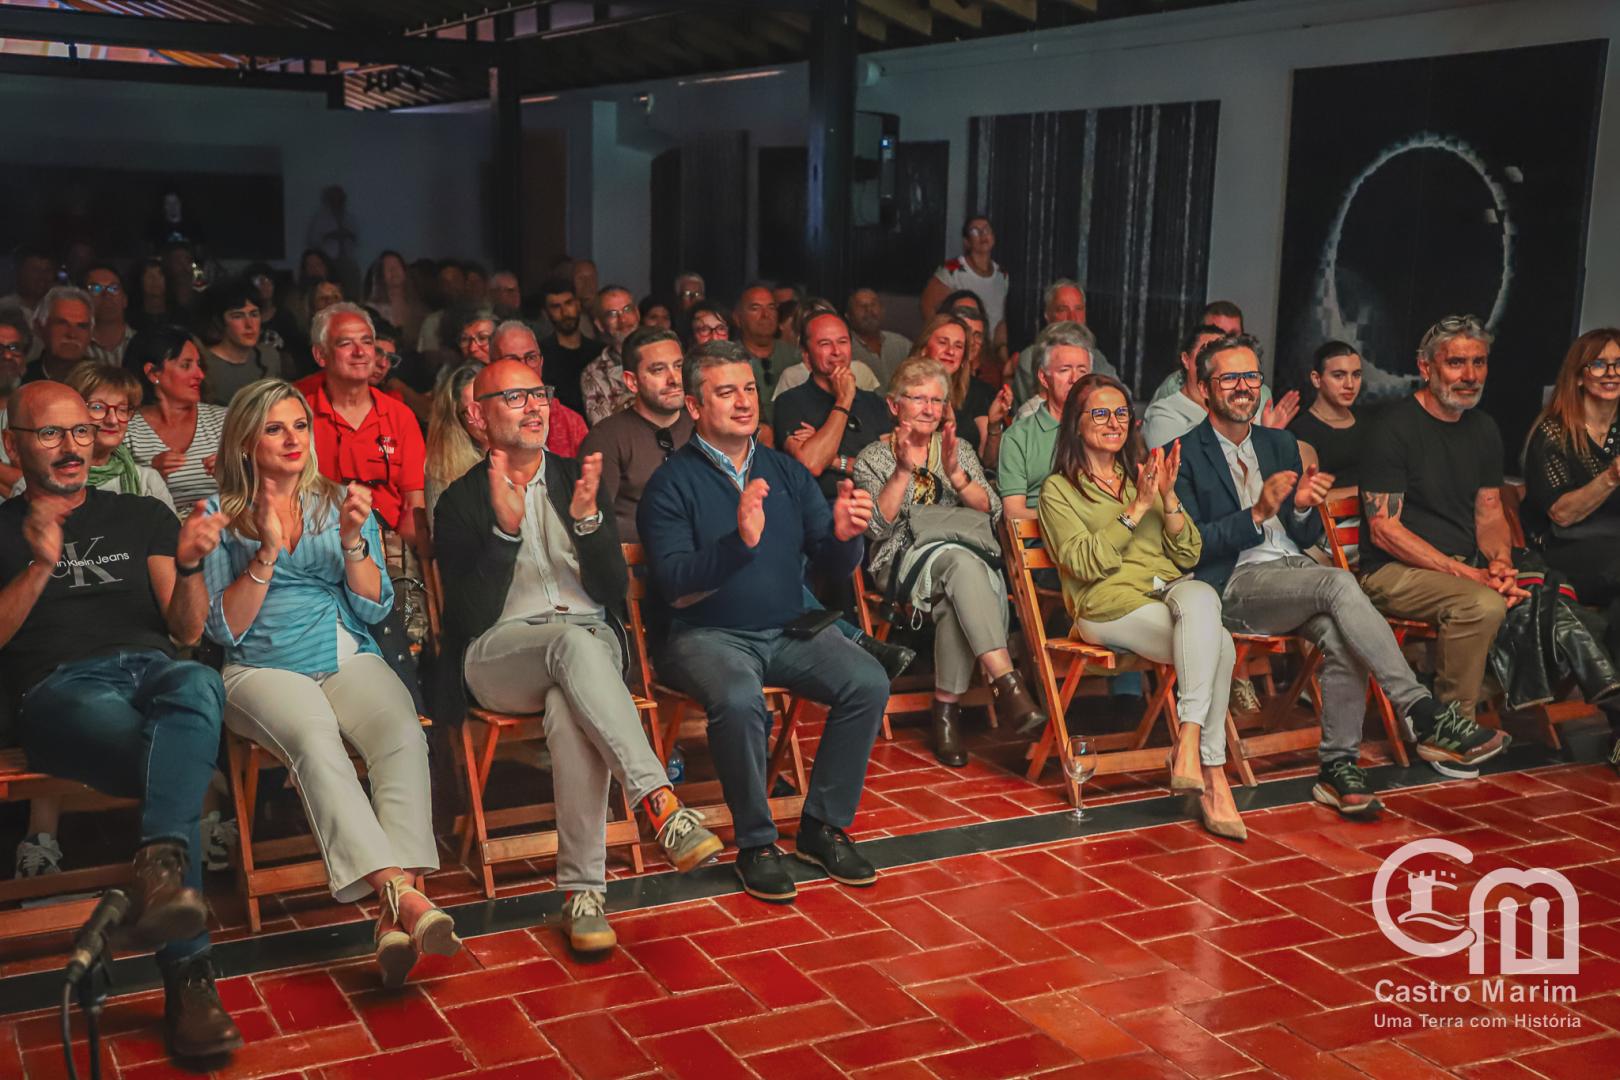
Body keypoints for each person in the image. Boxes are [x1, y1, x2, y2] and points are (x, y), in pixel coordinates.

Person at [435, 359, 722, 950]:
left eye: (538, 393)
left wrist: (591, 529)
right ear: (477, 415)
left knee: (571, 702)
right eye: (514, 397)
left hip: (588, 648)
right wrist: (506, 535)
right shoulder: (460, 503)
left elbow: (613, 591)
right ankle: (660, 802)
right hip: (499, 656)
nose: (535, 407)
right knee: (568, 647)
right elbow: (465, 618)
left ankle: (582, 895)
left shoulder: (575, 480)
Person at [0, 381, 240, 1060]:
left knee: (195, 680)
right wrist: (40, 567)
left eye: (80, 431)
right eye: (50, 434)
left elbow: (187, 632)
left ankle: (160, 867)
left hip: (155, 675)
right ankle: (191, 983)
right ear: (13, 442)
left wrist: (191, 563)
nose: (72, 446)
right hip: (60, 692)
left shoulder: (139, 515)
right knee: (179, 763)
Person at [1175, 334, 1507, 811]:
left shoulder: (1279, 443)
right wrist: (1255, 514)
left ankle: (1337, 768)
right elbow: (1192, 548)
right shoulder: (1182, 453)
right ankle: (1420, 709)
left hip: (1294, 576)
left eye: (1251, 376)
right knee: (1339, 583)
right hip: (1234, 587)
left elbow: (1295, 527)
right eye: (1230, 378)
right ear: (1205, 388)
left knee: (1342, 631)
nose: (1244, 386)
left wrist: (1304, 508)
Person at [200, 380, 455, 986]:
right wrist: (264, 551)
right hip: (260, 669)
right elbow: (223, 629)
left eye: (299, 426)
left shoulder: (334, 500)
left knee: (401, 730)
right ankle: (402, 891)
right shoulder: (217, 516)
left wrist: (350, 542)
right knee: (315, 737)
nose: (292, 439)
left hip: (341, 647)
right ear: (245, 438)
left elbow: (372, 606)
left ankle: (393, 917)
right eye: (274, 428)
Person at [639, 341, 890, 904]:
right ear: (694, 406)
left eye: (749, 388)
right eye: (726, 392)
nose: (744, 401)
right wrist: (738, 544)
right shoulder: (670, 483)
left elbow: (828, 559)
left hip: (786, 630)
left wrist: (848, 541)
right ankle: (756, 842)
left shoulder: (785, 472)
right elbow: (675, 581)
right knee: (739, 697)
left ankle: (821, 825)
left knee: (868, 681)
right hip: (703, 635)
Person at [1038, 373, 1245, 841]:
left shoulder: (1143, 477)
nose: (1114, 422)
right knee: (1223, 647)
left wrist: (1168, 497)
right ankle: (1212, 775)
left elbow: (1188, 554)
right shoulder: (1059, 491)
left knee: (1201, 594)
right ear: (1076, 422)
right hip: (1106, 607)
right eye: (1100, 413)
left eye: (1121, 414)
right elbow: (1083, 563)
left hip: (1166, 596)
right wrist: (1136, 509)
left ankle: (1189, 743)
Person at [853, 358, 1043, 765]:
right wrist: (903, 470)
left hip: (963, 560)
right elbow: (874, 526)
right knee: (960, 564)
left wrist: (957, 475)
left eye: (936, 401)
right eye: (918, 398)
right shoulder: (872, 456)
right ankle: (1006, 680)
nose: (928, 408)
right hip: (901, 559)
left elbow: (992, 511)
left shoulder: (959, 450)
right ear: (894, 405)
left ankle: (945, 715)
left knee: (955, 591)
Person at [1359, 316, 1528, 723]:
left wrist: (1500, 564)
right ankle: (1452, 728)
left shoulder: (1484, 428)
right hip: (1392, 571)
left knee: (1543, 599)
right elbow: (1385, 531)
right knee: (1481, 604)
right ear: (1425, 367)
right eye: (1456, 363)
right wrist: (1469, 577)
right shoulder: (1392, 427)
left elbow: (1489, 514)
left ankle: (1477, 698)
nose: (1470, 376)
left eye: (1479, 362)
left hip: (1463, 566)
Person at [1522, 328, 1620, 767]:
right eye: (1599, 364)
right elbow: (1561, 514)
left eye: (1618, 364)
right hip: (1567, 550)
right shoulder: (1554, 433)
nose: (1611, 373)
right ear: (1579, 376)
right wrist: (1612, 476)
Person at [303, 304, 426, 554]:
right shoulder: (298, 415)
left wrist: (398, 554)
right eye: (345, 343)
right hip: (315, 543)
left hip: (388, 545)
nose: (360, 352)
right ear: (320, 355)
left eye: (367, 342)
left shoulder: (400, 416)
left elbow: (414, 506)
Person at [579, 326, 693, 539]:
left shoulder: (703, 427)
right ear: (632, 382)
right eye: (658, 370)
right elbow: (596, 523)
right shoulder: (606, 438)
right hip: (639, 565)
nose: (674, 379)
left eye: (678, 366)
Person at [777, 307, 893, 500]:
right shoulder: (790, 402)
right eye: (825, 344)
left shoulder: (874, 402)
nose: (837, 351)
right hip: (821, 511)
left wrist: (833, 460)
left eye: (842, 342)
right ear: (806, 354)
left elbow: (888, 470)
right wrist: (844, 400)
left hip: (875, 510)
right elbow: (812, 463)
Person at [124, 326, 227, 514]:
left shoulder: (225, 420)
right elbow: (119, 504)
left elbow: (256, 487)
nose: (200, 375)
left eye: (198, 364)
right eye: (186, 365)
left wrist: (233, 473)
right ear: (153, 373)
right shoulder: (126, 428)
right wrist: (151, 476)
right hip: (159, 536)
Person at [1142, 322, 1294, 449]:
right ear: (1186, 359)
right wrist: (1251, 435)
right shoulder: (1164, 414)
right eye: (1205, 352)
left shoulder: (1241, 404)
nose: (1213, 360)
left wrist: (1267, 435)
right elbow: (1182, 471)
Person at [999, 322, 1096, 520]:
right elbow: (1013, 513)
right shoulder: (1018, 436)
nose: (1074, 379)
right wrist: (1068, 522)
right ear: (1044, 378)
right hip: (1041, 542)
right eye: (1064, 370)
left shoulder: (1104, 427)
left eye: (1082, 371)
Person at [1009, 281, 1117, 407]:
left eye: (1078, 309)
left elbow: (1121, 396)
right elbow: (1037, 409)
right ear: (1048, 316)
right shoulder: (1031, 357)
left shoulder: (1096, 356)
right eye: (1063, 309)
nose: (1072, 318)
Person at [922, 216, 1009, 370]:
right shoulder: (952, 270)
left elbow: (999, 320)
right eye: (975, 231)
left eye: (986, 230)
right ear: (967, 241)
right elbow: (928, 307)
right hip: (956, 351)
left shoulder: (1002, 275)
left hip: (984, 355)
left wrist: (1002, 356)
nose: (983, 235)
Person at [491, 320, 588, 456]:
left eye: (531, 357)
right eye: (512, 360)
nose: (524, 367)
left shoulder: (571, 423)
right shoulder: (486, 421)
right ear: (492, 367)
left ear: (541, 362)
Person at [198, 277, 288, 406]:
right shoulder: (204, 364)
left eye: (254, 314)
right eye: (238, 316)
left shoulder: (269, 357)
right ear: (219, 321)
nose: (249, 324)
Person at [1288, 341, 1366, 485]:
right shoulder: (1302, 432)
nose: (1350, 384)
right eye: (1339, 376)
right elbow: (1309, 498)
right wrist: (1372, 493)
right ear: (1317, 379)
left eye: (1356, 375)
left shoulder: (1368, 421)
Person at [948, 306, 1013, 467]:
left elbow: (989, 462)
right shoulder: (919, 385)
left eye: (977, 335)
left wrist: (994, 424)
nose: (971, 341)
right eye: (966, 333)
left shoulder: (984, 391)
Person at [1149, 300, 1246, 402]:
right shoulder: (1173, 387)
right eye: (1215, 333)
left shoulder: (1256, 387)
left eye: (1232, 336)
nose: (1225, 343)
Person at [424, 364, 484, 521]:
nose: (482, 416)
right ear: (457, 419)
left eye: (486, 404)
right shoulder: (442, 470)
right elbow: (442, 537)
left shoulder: (527, 452)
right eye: (471, 411)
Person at [734, 284, 798, 418]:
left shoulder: (794, 356)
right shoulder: (729, 359)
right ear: (737, 318)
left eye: (771, 307)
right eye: (755, 308)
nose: (765, 315)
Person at [579, 285, 641, 424]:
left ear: (637, 313)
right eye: (612, 314)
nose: (623, 319)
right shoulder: (593, 374)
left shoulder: (661, 354)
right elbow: (603, 431)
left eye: (627, 309)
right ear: (600, 324)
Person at [538, 277, 596, 417]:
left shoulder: (598, 352)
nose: (565, 312)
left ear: (578, 305)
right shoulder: (540, 356)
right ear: (546, 313)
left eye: (568, 303)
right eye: (556, 307)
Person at [26, 285, 96, 384]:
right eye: (62, 324)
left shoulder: (104, 383)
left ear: (91, 333)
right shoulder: (21, 379)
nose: (72, 334)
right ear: (39, 327)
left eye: (81, 326)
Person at [846, 288, 911, 391]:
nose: (869, 311)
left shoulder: (901, 344)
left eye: (873, 305)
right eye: (862, 306)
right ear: (848, 315)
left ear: (882, 310)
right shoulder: (844, 349)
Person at [364, 250, 426, 348]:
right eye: (388, 268)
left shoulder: (418, 306)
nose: (394, 271)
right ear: (381, 274)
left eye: (397, 266)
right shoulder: (372, 309)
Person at [83, 263, 136, 365]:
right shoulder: (76, 346)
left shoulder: (142, 343)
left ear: (125, 299)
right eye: (96, 288)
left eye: (114, 288)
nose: (106, 295)